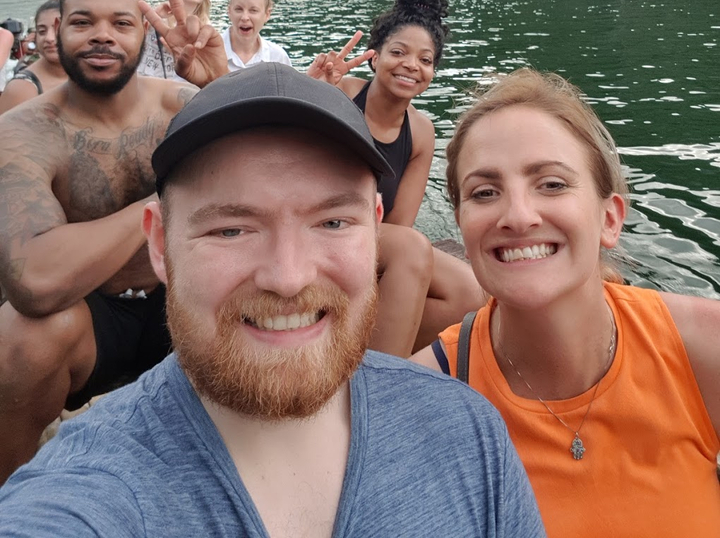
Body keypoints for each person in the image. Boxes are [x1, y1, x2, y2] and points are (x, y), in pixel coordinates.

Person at [0, 64, 545, 538]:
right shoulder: (87, 496)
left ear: (373, 231)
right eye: (232, 230)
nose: (287, 277)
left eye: (333, 222)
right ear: (161, 243)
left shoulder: (469, 435)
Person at [412, 68, 720, 537]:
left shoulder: (703, 350)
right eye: (485, 192)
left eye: (552, 184)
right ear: (462, 226)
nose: (517, 215)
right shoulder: (423, 397)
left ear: (610, 218)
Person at [0, 0, 227, 484]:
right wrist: (169, 195)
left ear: (143, 36)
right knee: (22, 336)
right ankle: (12, 504)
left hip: (182, 298)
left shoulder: (181, 105)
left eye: (121, 23)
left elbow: (266, 173)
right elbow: (34, 280)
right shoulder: (22, 131)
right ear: (56, 34)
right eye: (83, 22)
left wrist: (220, 86)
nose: (102, 34)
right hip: (95, 319)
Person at [310, 0, 484, 356]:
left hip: (368, 238)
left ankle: (362, 350)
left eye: (425, 59)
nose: (411, 65)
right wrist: (313, 94)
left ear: (433, 72)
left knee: (469, 294)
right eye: (399, 52)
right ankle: (379, 387)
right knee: (412, 249)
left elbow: (398, 224)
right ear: (375, 57)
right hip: (316, 228)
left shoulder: (420, 132)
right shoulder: (339, 93)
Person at [138, 0, 213, 81]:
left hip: (177, 84)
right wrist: (153, 16)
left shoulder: (206, 27)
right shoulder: (160, 14)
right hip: (145, 79)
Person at [0, 0, 67, 113]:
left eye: (58, 29)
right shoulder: (21, 89)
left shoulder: (93, 75)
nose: (49, 38)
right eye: (42, 31)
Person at [223, 0, 291, 71]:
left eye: (253, 10)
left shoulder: (278, 58)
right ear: (229, 11)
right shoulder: (209, 52)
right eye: (239, 9)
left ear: (267, 14)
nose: (245, 17)